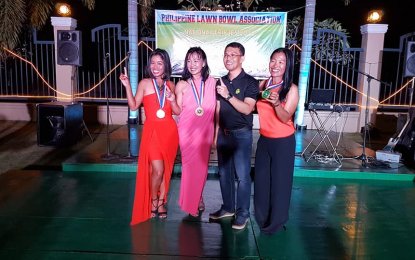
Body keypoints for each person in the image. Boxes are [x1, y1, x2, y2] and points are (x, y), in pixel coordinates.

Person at [119, 48, 180, 225]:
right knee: (157, 170)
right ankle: (153, 200)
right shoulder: (145, 83)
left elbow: (177, 111)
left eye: (159, 63)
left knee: (164, 171)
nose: (155, 66)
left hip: (169, 132)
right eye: (152, 63)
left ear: (166, 65)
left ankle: (161, 203)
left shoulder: (171, 85)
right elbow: (134, 105)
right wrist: (127, 86)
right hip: (152, 131)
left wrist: (172, 99)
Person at [209, 42, 259, 230]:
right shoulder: (220, 81)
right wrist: (215, 135)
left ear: (242, 58)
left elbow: (247, 109)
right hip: (223, 135)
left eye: (233, 54)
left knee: (243, 176)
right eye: (226, 54)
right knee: (224, 174)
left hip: (241, 136)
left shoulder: (250, 82)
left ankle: (243, 213)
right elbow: (218, 109)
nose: (228, 58)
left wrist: (228, 95)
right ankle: (228, 208)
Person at [254, 47, 299, 234]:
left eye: (281, 62)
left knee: (280, 184)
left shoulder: (291, 89)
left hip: (283, 142)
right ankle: (262, 218)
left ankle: (276, 223)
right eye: (273, 60)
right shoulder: (264, 84)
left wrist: (276, 104)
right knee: (262, 182)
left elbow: (285, 117)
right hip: (264, 140)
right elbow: (254, 107)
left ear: (287, 66)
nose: (276, 65)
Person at [175, 47, 217, 217]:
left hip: (205, 130)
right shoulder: (182, 84)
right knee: (189, 168)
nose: (192, 64)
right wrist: (171, 101)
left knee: (202, 168)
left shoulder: (213, 82)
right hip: (186, 131)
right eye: (189, 61)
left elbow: (217, 108)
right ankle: (193, 202)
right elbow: (177, 111)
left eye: (196, 60)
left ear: (204, 62)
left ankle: (197, 197)